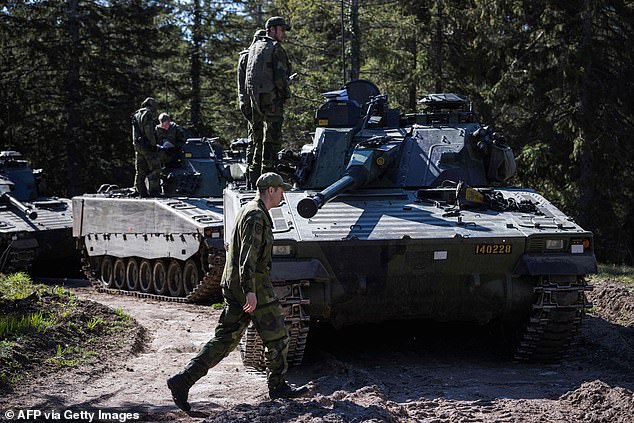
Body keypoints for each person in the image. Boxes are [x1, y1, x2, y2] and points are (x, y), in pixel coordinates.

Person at [167, 172, 308, 411]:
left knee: (225, 340)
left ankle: (183, 380)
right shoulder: (256, 215)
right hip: (252, 287)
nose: (284, 194)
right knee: (278, 336)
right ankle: (277, 387)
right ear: (271, 191)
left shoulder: (250, 210)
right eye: (281, 190)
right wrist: (250, 291)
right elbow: (248, 257)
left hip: (236, 285)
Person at [245, 17, 292, 186]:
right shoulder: (275, 48)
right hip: (272, 101)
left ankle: (254, 178)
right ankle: (269, 181)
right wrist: (286, 94)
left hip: (256, 101)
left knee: (257, 141)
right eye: (282, 30)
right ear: (272, 29)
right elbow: (280, 78)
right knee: (272, 140)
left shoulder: (254, 48)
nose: (284, 34)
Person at [238, 29, 266, 188]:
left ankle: (252, 178)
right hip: (253, 104)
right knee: (256, 142)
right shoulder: (249, 57)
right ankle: (254, 179)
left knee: (254, 141)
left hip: (250, 103)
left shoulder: (247, 56)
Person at [132, 97, 162, 197]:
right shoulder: (147, 114)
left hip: (138, 146)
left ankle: (140, 191)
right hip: (147, 146)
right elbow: (149, 131)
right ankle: (154, 191)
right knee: (155, 168)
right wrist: (153, 144)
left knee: (140, 170)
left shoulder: (136, 114)